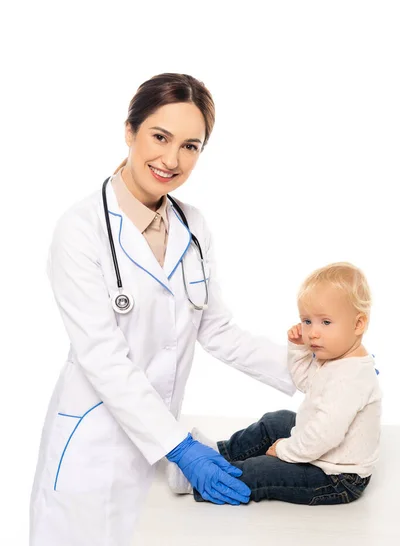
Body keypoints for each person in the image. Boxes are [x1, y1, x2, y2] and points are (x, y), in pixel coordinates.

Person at [29, 73, 296, 546]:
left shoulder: (193, 227)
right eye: (160, 137)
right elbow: (104, 360)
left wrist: (315, 369)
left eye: (190, 146)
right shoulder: (81, 230)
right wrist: (179, 447)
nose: (172, 160)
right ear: (130, 131)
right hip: (93, 457)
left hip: (158, 451)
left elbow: (218, 331)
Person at [168, 262, 382, 505]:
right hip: (323, 451)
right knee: (275, 421)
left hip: (336, 475)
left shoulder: (350, 379)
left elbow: (323, 436)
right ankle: (221, 453)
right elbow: (304, 381)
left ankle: (201, 480)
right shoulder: (337, 357)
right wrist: (299, 348)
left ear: (358, 324)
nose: (312, 333)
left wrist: (284, 450)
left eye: (325, 322)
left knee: (263, 470)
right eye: (307, 321)